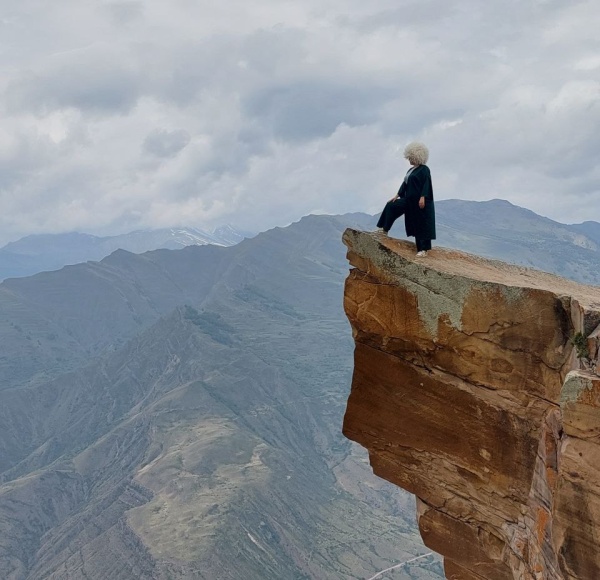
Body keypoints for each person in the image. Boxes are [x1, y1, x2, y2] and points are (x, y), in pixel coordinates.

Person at [374, 142, 436, 256]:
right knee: (392, 205)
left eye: (411, 158)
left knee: (420, 223)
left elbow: (426, 183)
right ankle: (384, 229)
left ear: (417, 157)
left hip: (420, 202)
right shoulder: (410, 170)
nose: (409, 160)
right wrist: (397, 195)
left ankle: (423, 250)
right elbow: (405, 184)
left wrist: (423, 197)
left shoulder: (424, 169)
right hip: (409, 200)